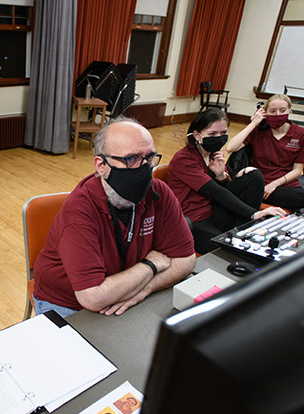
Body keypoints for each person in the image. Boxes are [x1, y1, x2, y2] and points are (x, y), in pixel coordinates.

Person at [33, 117, 196, 318]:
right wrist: (150, 265)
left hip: (130, 291)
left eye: (150, 158)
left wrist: (145, 288)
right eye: (132, 159)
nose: (144, 168)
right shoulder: (79, 210)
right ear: (101, 165)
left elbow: (186, 259)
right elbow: (92, 297)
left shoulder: (158, 192)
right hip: (70, 303)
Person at [167, 109, 287, 254]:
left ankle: (244, 230)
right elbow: (216, 192)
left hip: (215, 209)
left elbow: (225, 188)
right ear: (197, 135)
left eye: (223, 133)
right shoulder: (184, 159)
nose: (219, 138)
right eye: (212, 134)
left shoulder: (214, 155)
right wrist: (254, 214)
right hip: (196, 218)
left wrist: (221, 176)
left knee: (254, 176)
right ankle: (244, 229)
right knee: (228, 251)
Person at [225, 94, 304, 210]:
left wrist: (273, 185)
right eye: (273, 111)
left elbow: (298, 170)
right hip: (260, 183)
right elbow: (230, 147)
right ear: (264, 113)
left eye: (283, 110)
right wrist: (254, 123)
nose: (278, 114)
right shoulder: (258, 131)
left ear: (290, 110)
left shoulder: (303, 134)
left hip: (286, 183)